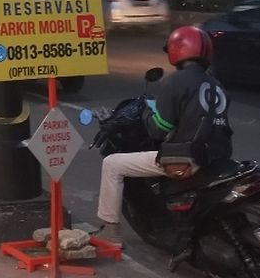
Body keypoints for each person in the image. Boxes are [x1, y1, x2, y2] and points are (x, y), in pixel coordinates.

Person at [95, 26, 232, 246]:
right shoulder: (217, 85)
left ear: (177, 50)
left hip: (185, 159)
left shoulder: (176, 81)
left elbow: (159, 129)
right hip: (217, 157)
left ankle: (110, 233)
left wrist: (148, 113)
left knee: (112, 164)